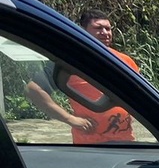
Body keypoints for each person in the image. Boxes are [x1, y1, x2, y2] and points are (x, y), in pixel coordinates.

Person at [24, 10, 141, 145]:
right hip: (89, 146)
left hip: (127, 143)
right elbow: (33, 90)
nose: (105, 32)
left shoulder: (126, 61)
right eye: (98, 28)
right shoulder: (71, 62)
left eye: (108, 28)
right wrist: (69, 118)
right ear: (83, 31)